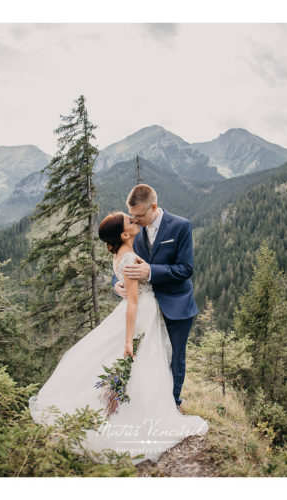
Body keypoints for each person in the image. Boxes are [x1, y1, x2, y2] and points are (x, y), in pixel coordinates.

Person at [28, 211, 208, 464]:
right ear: (124, 234)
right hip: (141, 313)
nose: (137, 222)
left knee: (132, 362)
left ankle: (121, 404)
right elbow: (133, 303)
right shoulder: (132, 259)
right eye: (131, 221)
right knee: (141, 360)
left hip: (142, 310)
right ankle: (132, 412)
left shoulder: (121, 255)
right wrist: (128, 338)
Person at [113, 184, 198, 412]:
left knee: (175, 357)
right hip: (146, 309)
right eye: (132, 215)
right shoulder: (136, 230)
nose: (135, 220)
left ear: (154, 207)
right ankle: (150, 404)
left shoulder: (181, 226)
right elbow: (125, 260)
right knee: (149, 358)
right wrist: (118, 284)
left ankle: (173, 405)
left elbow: (186, 269)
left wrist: (151, 272)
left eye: (140, 215)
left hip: (177, 305)